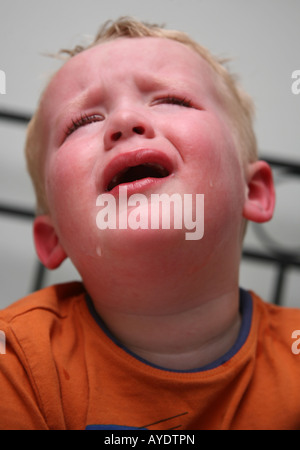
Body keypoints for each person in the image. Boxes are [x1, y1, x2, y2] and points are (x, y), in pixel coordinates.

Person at [0, 16, 299, 430]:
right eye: (83, 122)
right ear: (53, 238)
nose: (124, 122)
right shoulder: (16, 361)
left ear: (254, 192)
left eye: (171, 100)